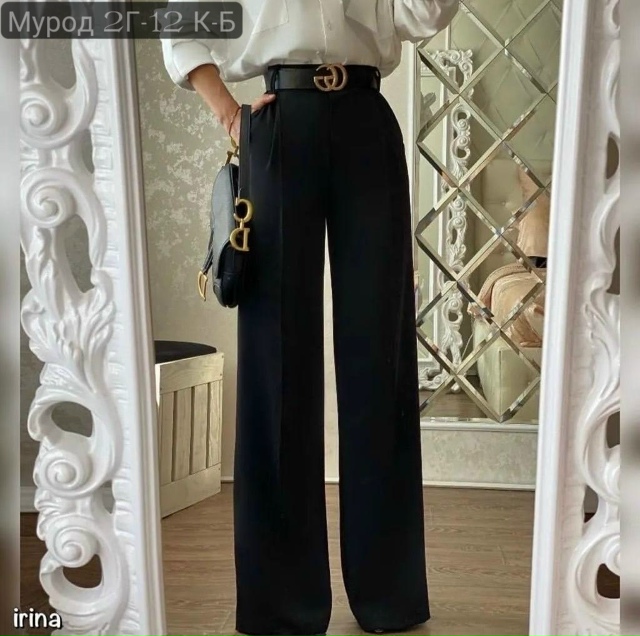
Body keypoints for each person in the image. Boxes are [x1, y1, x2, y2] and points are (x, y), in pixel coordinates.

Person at [160, 2, 459, 635]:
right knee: (275, 358)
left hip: (367, 121)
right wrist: (228, 112)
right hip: (278, 123)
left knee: (380, 358)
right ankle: (280, 604)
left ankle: (388, 595)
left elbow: (424, 13)